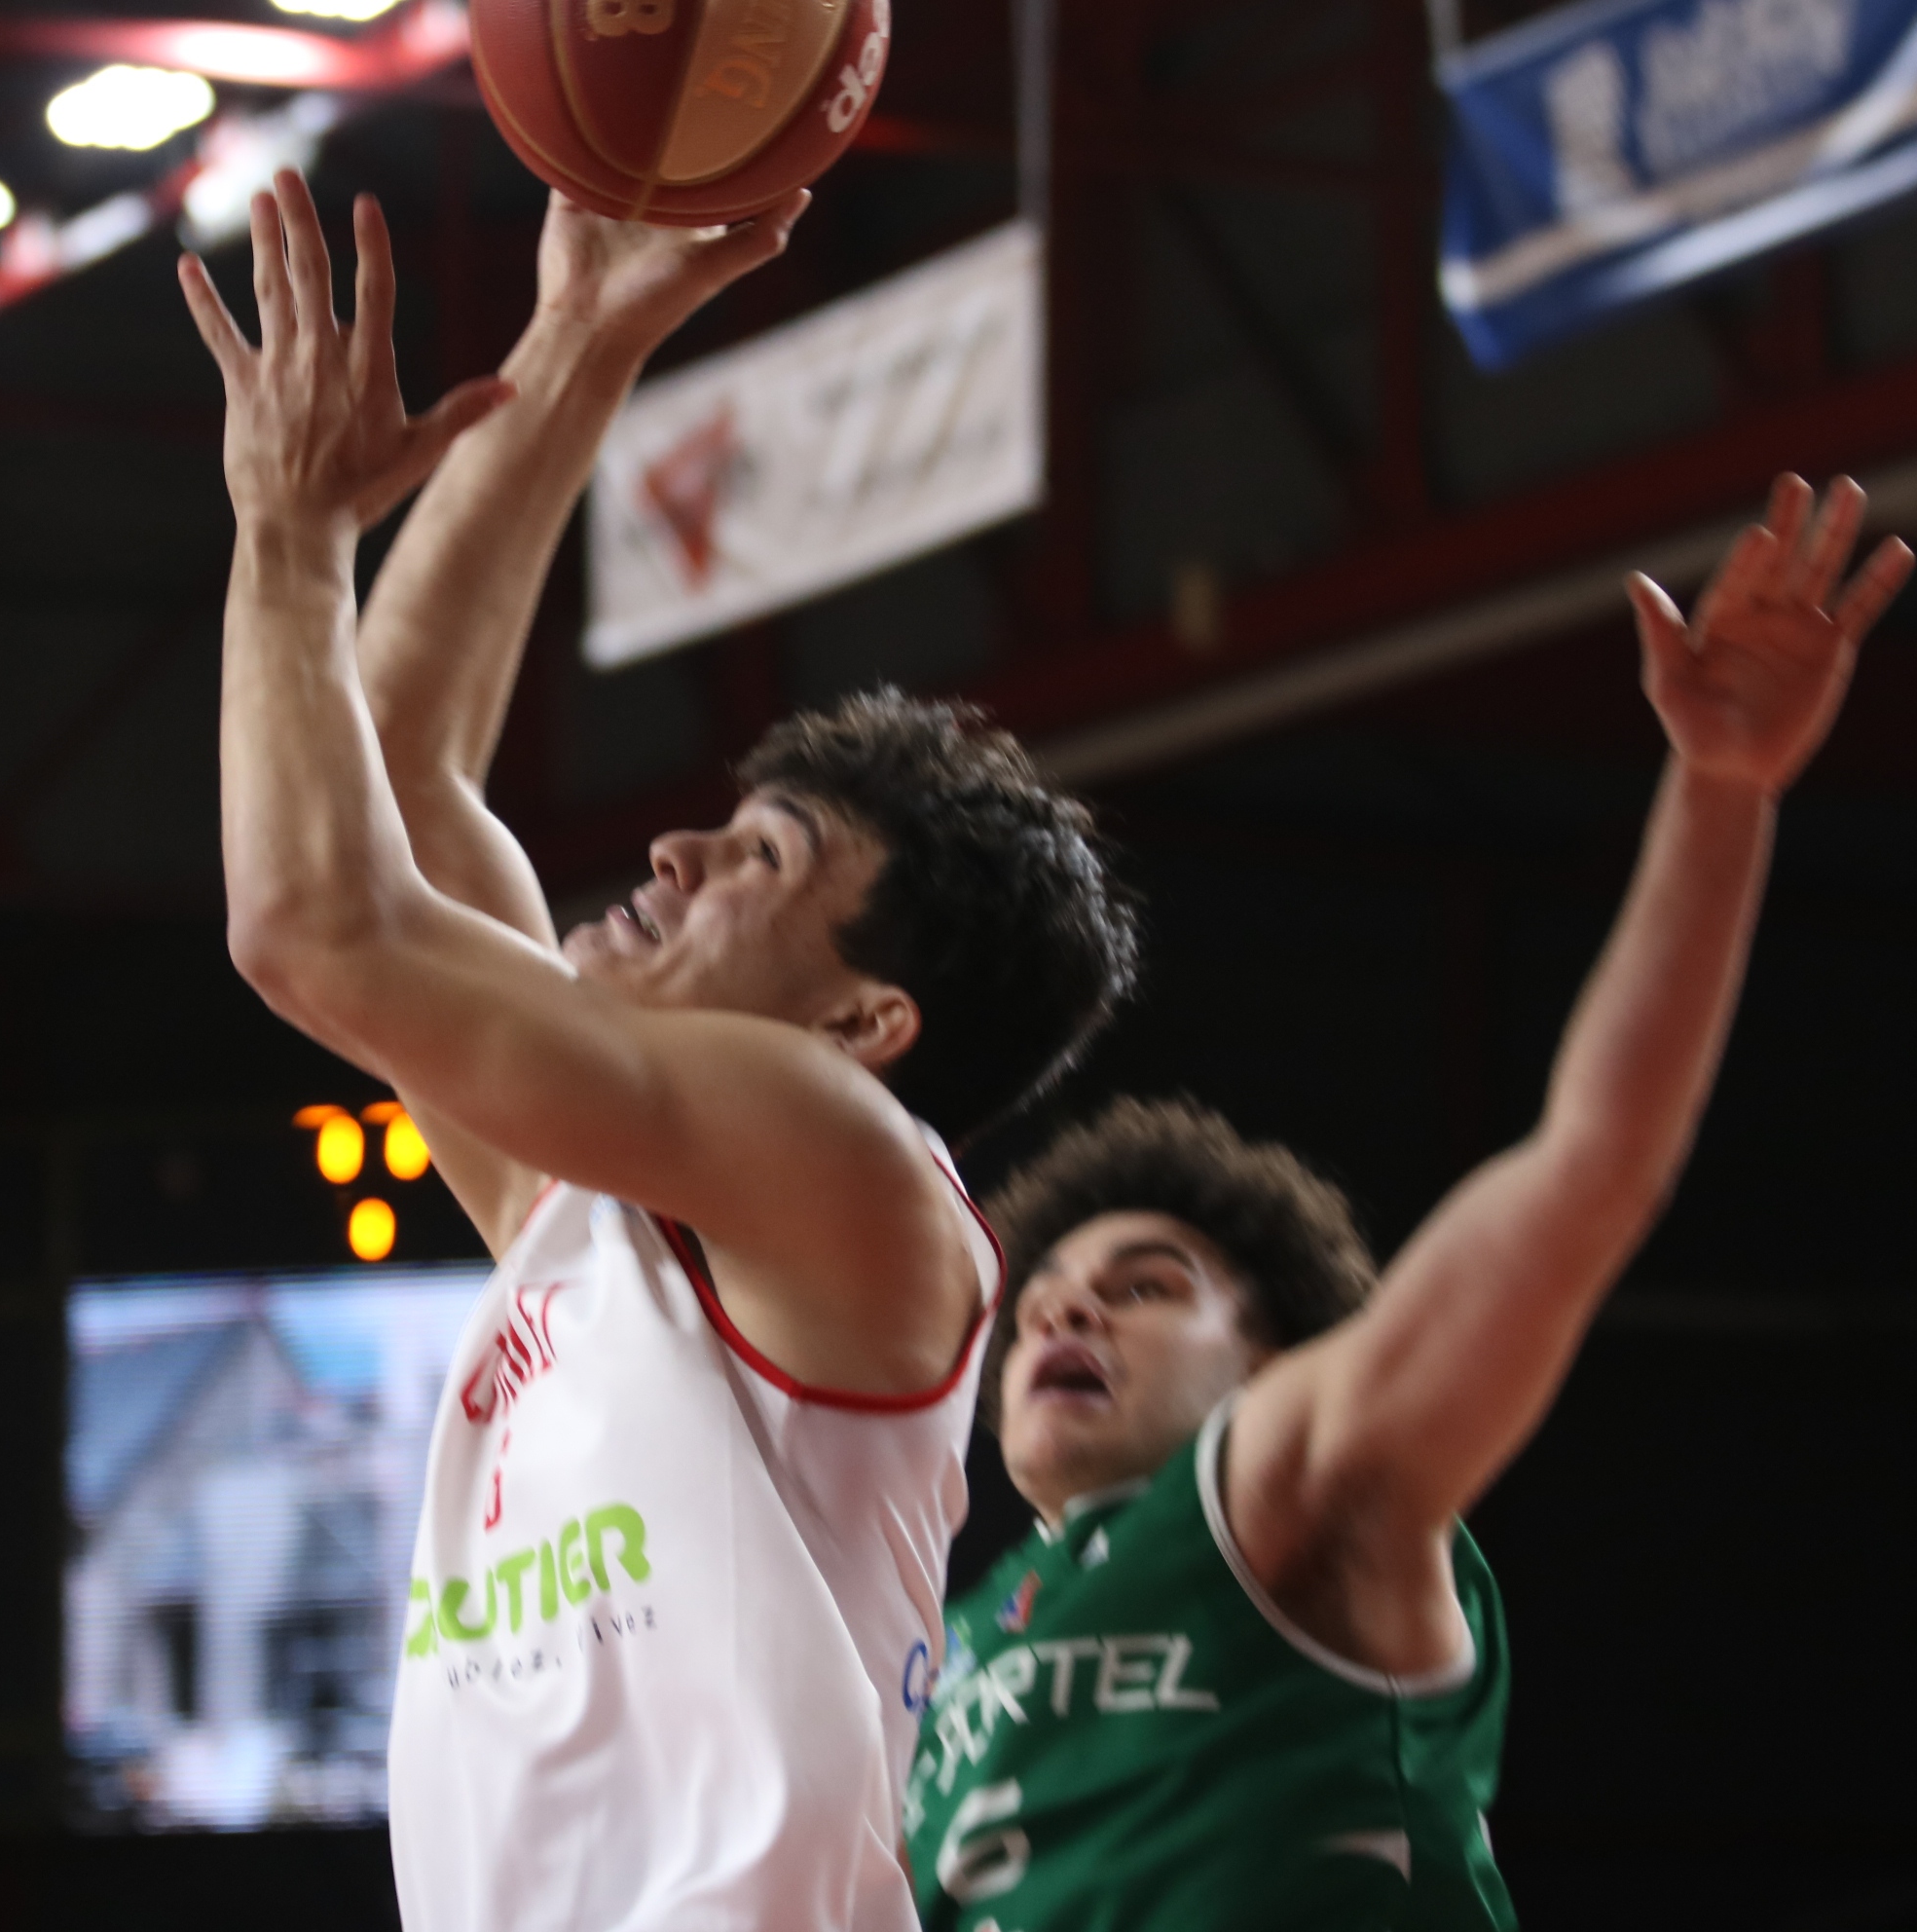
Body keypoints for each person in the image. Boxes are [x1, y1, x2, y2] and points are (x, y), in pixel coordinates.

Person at [177, 173, 1138, 1932]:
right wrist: (582, 335)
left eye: (764, 861)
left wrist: (293, 543)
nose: (678, 856)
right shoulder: (594, 1210)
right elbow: (377, 776)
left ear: (867, 1026)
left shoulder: (847, 1163)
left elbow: (314, 923)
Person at [903, 476, 1916, 1930]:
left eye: (1148, 1283)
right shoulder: (939, 1644)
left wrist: (1721, 792)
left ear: (1277, 1360)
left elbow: (1590, 1169)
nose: (1064, 1301)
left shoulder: (1291, 1484)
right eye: (1050, 1290)